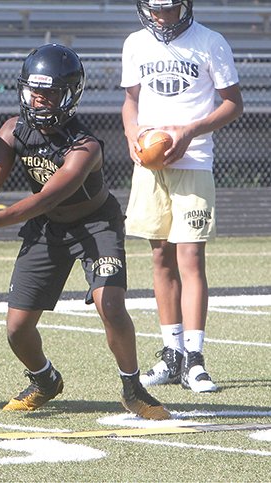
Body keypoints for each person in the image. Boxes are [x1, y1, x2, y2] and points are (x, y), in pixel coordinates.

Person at [0, 43, 170, 420]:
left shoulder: (85, 146)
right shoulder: (11, 130)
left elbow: (46, 199)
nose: (38, 100)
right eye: (33, 91)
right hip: (48, 229)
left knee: (110, 304)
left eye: (49, 93)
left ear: (70, 96)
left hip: (95, 224)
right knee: (17, 328)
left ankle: (133, 388)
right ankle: (45, 380)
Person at [121, 0, 243, 393]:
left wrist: (191, 130)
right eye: (157, 9)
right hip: (150, 165)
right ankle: (171, 353)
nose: (163, 16)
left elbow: (233, 104)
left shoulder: (210, 41)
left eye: (171, 9)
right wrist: (132, 137)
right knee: (159, 256)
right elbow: (132, 102)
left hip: (194, 161)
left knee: (190, 256)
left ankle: (194, 357)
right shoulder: (136, 43)